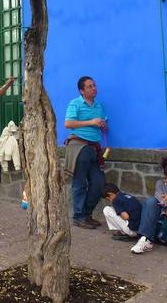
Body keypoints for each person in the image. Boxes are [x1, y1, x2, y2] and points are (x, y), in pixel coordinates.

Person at [64, 76, 107, 229]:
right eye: (89, 86)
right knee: (80, 183)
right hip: (79, 146)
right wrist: (91, 122)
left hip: (94, 148)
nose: (94, 88)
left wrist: (102, 124)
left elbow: (102, 124)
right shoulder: (75, 104)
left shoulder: (98, 106)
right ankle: (78, 216)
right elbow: (68, 123)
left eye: (94, 85)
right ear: (82, 91)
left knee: (99, 183)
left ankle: (86, 214)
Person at [131, 156, 167, 254]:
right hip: (163, 217)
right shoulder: (160, 183)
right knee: (151, 201)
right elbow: (160, 198)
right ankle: (145, 240)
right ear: (166, 176)